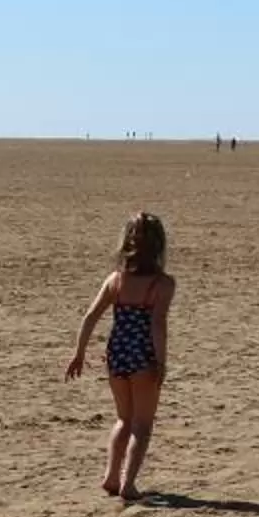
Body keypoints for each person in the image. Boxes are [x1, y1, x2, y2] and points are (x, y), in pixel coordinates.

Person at [65, 212, 175, 501]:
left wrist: (79, 353)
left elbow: (91, 316)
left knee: (123, 419)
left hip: (117, 351)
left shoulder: (116, 280)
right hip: (143, 353)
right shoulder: (162, 285)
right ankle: (128, 484)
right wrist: (161, 362)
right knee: (142, 424)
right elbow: (157, 325)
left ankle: (111, 476)